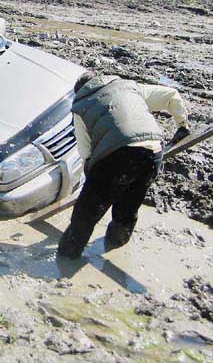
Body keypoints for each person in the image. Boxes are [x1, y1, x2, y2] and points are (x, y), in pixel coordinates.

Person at [57, 70, 190, 259]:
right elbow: (171, 95)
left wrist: (92, 185)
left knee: (85, 215)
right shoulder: (130, 87)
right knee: (127, 208)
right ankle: (117, 249)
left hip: (116, 157)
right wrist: (182, 125)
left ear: (79, 91)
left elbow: (86, 153)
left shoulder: (81, 106)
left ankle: (66, 258)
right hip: (152, 152)